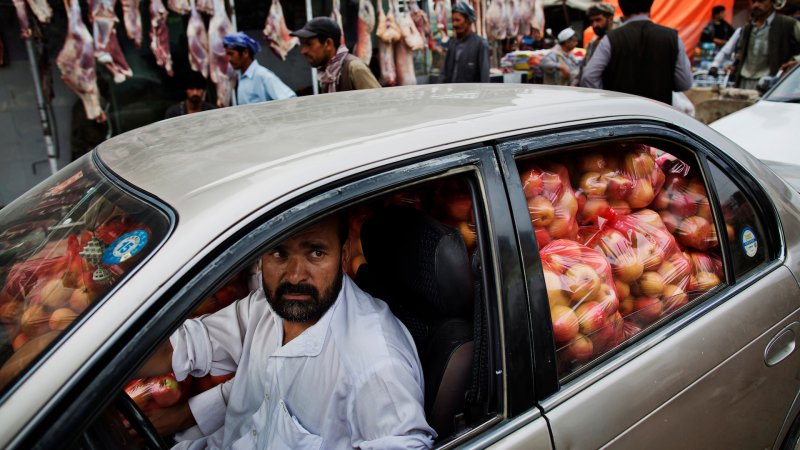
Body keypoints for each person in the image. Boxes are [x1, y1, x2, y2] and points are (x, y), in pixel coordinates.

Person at [138, 215, 436, 449]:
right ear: (261, 259)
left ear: (344, 256)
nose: (295, 275)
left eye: (316, 253)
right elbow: (178, 348)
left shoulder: (375, 363)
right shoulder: (263, 308)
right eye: (279, 253)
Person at [579, 0, 693, 105]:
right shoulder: (672, 37)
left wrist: (607, 101)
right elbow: (684, 83)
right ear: (650, 4)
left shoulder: (611, 39)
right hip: (659, 116)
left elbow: (589, 77)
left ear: (621, 7)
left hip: (622, 114)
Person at [709, 0, 800, 90]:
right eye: (754, 1)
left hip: (772, 83)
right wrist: (732, 65)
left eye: (761, 1)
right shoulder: (747, 28)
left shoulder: (788, 24)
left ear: (773, 2)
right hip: (744, 81)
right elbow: (736, 52)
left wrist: (795, 61)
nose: (756, 5)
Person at [291, 17, 380, 93]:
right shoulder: (327, 74)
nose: (303, 51)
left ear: (328, 43)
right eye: (302, 44)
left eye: (309, 44)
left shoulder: (355, 68)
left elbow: (381, 103)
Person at [222, 32, 296, 105]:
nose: (228, 59)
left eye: (231, 54)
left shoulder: (262, 75)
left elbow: (290, 100)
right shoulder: (241, 77)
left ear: (245, 53)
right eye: (227, 54)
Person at [441, 1, 490, 83]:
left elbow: (484, 78)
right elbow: (444, 73)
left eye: (457, 20)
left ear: (468, 21)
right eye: (453, 20)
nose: (454, 24)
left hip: (471, 94)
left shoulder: (480, 45)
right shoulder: (453, 45)